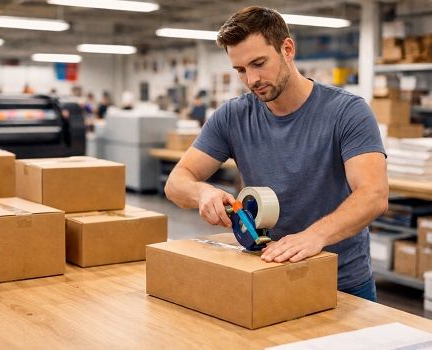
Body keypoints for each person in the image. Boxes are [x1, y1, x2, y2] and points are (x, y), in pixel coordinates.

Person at [164, 6, 388, 302]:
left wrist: (314, 236)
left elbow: (373, 194)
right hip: (268, 274)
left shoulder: (347, 112)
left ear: (287, 49)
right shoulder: (233, 116)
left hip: (342, 284)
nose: (252, 79)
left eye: (259, 63)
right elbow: (176, 182)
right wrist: (201, 193)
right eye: (241, 70)